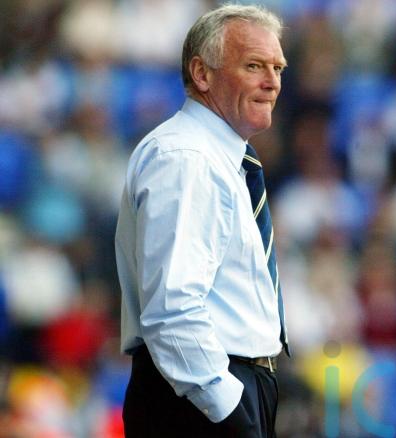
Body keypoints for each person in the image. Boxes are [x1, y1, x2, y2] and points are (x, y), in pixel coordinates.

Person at [114, 4, 289, 437]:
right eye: (254, 66)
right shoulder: (186, 158)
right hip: (198, 400)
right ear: (202, 73)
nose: (272, 82)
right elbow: (172, 309)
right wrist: (229, 410)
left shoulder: (216, 157)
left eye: (278, 68)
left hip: (213, 389)